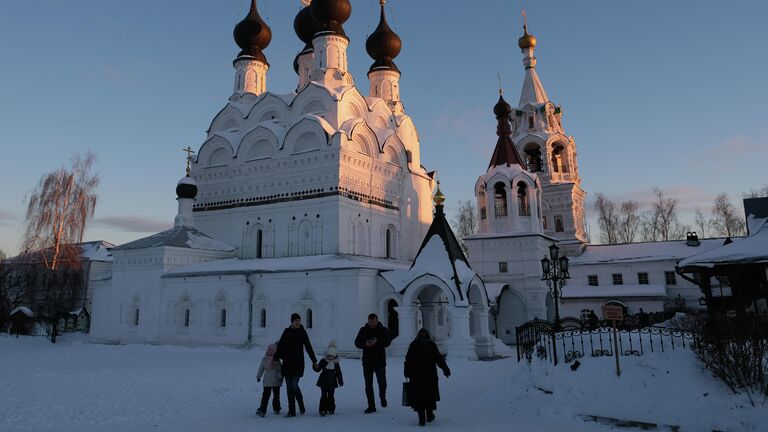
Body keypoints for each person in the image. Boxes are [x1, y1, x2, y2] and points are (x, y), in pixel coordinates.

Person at [404, 328, 451, 426]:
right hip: (430, 375)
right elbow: (438, 359)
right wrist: (445, 369)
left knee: (419, 397)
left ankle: (421, 417)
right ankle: (429, 415)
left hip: (416, 376)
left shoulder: (414, 345)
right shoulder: (431, 345)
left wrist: (407, 371)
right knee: (429, 396)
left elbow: (408, 360)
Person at [275, 313, 318, 418]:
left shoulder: (302, 333)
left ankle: (300, 402)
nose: (298, 322)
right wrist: (276, 358)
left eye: (299, 320)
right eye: (296, 320)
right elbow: (280, 345)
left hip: (298, 364)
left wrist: (314, 361)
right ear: (292, 321)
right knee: (289, 388)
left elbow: (308, 346)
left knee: (294, 386)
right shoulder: (286, 331)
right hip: (287, 364)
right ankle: (292, 411)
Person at [354, 313, 391, 413]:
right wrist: (365, 344)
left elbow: (388, 342)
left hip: (380, 362)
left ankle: (382, 396)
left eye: (373, 322)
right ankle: (371, 405)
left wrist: (377, 342)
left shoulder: (383, 330)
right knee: (368, 385)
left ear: (377, 321)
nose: (372, 324)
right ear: (368, 321)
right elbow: (357, 342)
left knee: (382, 383)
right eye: (370, 322)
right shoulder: (363, 330)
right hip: (367, 362)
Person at [313, 340, 344, 416]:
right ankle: (322, 410)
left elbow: (339, 373)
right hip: (323, 381)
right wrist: (315, 366)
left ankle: (331, 409)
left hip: (332, 382)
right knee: (323, 395)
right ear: (326, 354)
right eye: (328, 355)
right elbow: (318, 369)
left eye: (331, 356)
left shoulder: (336, 363)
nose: (330, 357)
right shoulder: (323, 361)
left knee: (331, 396)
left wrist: (340, 381)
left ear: (334, 355)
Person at [256, 343, 283, 417]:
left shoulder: (265, 359)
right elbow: (280, 371)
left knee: (265, 396)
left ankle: (262, 410)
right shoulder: (277, 361)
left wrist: (258, 377)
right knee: (276, 396)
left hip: (267, 382)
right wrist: (280, 378)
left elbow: (261, 369)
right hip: (276, 382)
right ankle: (277, 408)